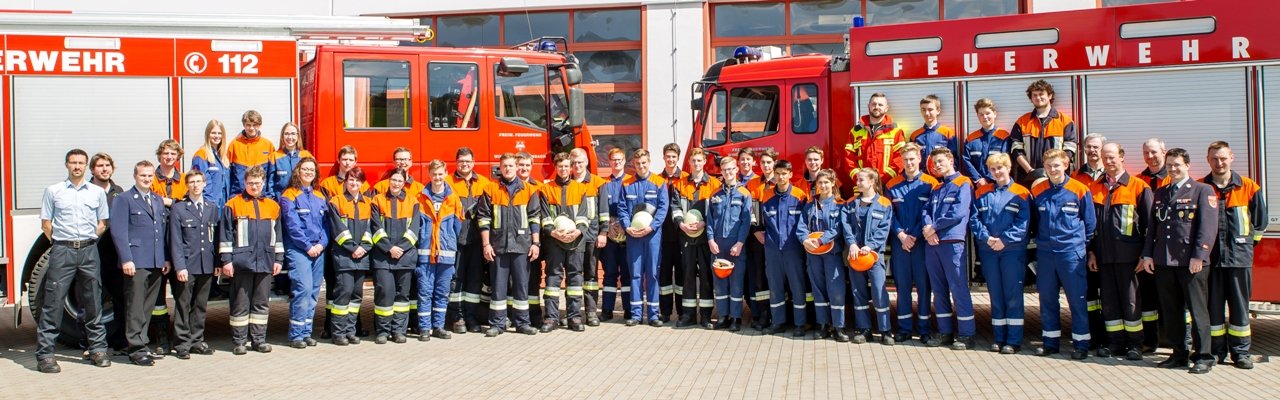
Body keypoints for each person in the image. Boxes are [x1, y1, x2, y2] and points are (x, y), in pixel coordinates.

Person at [1140, 147, 1219, 374]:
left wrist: (1200, 256)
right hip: (1164, 261)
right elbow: (1152, 229)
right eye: (1170, 165)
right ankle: (1178, 354)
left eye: (1177, 165)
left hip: (1190, 262)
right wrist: (1148, 254)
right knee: (1171, 310)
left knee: (1198, 311)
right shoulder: (1161, 193)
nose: (1173, 169)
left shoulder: (1202, 190)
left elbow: (1207, 229)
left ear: (1187, 166)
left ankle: (1204, 356)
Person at [36, 149, 112, 373]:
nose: (77, 166)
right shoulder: (53, 191)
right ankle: (46, 355)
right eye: (73, 162)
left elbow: (102, 223)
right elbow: (46, 224)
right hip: (63, 251)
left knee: (93, 302)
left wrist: (87, 242)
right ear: (66, 165)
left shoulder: (97, 192)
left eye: (81, 163)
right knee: (53, 302)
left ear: (86, 166)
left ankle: (98, 350)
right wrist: (62, 244)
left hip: (89, 251)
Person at [1202, 141, 1266, 369]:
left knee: (1240, 308)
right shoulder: (1201, 187)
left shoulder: (1249, 187)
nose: (1219, 163)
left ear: (1231, 157)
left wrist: (1246, 246)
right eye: (1214, 159)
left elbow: (1260, 223)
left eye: (1223, 158)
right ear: (1208, 160)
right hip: (1211, 260)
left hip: (1239, 259)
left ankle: (1240, 353)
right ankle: (1217, 352)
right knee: (1214, 308)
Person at [1087, 142, 1152, 360]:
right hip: (1104, 256)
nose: (1108, 161)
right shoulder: (1096, 187)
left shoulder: (1138, 186)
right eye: (1105, 157)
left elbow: (1150, 225)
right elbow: (1090, 225)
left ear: (1122, 157)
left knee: (1131, 301)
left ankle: (1135, 344)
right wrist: (1092, 252)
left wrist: (1146, 253)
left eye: (1112, 157)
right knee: (1109, 301)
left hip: (1130, 258)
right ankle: (1115, 343)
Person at [1030, 149, 1097, 360]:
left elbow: (1090, 224)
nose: (1052, 169)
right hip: (1046, 253)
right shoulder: (1039, 190)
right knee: (1047, 299)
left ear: (1066, 165)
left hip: (1070, 254)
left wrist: (1079, 246)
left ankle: (1081, 344)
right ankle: (1050, 343)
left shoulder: (1079, 189)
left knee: (1076, 300)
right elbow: (1034, 222)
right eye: (1049, 166)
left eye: (1057, 165)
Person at [218, 165, 284, 355]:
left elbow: (277, 236)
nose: (254, 186)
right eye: (250, 183)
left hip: (265, 261)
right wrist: (226, 260)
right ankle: (239, 341)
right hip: (241, 263)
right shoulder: (233, 205)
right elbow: (226, 235)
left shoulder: (273, 206)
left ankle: (259, 340)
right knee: (240, 302)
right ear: (244, 183)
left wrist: (278, 259)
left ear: (263, 183)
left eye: (257, 183)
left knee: (261, 303)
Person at [111, 160, 170, 367]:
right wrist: (126, 258)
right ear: (135, 177)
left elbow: (161, 232)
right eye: (142, 175)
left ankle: (142, 343)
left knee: (147, 306)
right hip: (136, 261)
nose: (146, 179)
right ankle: (135, 348)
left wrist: (164, 258)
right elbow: (118, 231)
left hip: (155, 261)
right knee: (135, 306)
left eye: (149, 175)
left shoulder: (157, 200)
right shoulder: (124, 199)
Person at [971, 153, 1031, 354]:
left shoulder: (1022, 193)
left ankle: (1013, 340)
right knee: (995, 294)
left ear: (1008, 167)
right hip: (989, 251)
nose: (997, 172)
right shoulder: (982, 193)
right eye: (993, 169)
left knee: (1013, 295)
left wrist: (1003, 240)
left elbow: (1023, 223)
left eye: (1000, 168)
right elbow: (974, 219)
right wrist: (987, 239)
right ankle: (999, 337)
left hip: (1012, 252)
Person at [477, 153, 543, 337]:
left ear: (516, 167)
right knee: (498, 286)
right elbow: (483, 219)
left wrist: (536, 243)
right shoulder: (490, 189)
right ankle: (497, 324)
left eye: (511, 166)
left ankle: (522, 323)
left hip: (522, 246)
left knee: (521, 285)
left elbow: (535, 218)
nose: (508, 168)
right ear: (500, 167)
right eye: (504, 165)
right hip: (498, 246)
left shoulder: (529, 190)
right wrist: (486, 245)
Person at [922, 148, 975, 350]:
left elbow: (958, 212)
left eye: (940, 161)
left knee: (958, 288)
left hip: (952, 243)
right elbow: (926, 210)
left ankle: (967, 334)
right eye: (934, 163)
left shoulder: (963, 183)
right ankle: (944, 332)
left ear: (951, 160)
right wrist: (928, 229)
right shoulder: (936, 188)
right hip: (933, 243)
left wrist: (933, 228)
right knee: (939, 290)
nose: (937, 166)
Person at [885, 143, 938, 344]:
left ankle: (924, 329)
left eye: (912, 159)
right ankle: (905, 329)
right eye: (905, 159)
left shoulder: (930, 183)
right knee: (902, 287)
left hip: (921, 243)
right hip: (901, 244)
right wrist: (900, 235)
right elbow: (889, 214)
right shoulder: (892, 185)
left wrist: (914, 236)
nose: (909, 163)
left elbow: (930, 213)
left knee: (924, 287)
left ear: (920, 159)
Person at [318, 145, 369, 338]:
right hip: (336, 245)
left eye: (351, 159)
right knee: (335, 288)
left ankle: (353, 327)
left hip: (356, 248)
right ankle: (330, 326)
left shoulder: (363, 186)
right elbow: (328, 216)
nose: (347, 163)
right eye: (344, 159)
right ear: (339, 161)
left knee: (353, 290)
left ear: (355, 162)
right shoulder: (328, 184)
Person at [537, 153, 591, 332]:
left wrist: (577, 232)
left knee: (575, 277)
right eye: (560, 166)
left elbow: (584, 215)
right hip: (554, 241)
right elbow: (544, 216)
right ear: (555, 167)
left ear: (571, 167)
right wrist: (553, 233)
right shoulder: (546, 189)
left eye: (567, 166)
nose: (564, 169)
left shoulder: (580, 188)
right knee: (553, 277)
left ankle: (574, 317)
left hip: (576, 241)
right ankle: (551, 318)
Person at [616, 149, 670, 327]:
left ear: (649, 162)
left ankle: (654, 315)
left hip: (652, 235)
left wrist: (652, 227)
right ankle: (636, 314)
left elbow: (663, 209)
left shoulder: (659, 183)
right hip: (633, 236)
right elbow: (622, 209)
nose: (641, 166)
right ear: (634, 164)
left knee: (653, 274)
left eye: (644, 163)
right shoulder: (627, 184)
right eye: (638, 163)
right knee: (636, 275)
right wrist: (627, 227)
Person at [168, 170, 219, 359]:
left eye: (199, 181)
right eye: (192, 182)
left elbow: (215, 237)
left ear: (204, 184)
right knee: (183, 304)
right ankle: (182, 343)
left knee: (200, 305)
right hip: (187, 265)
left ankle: (197, 340)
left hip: (206, 264)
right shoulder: (179, 209)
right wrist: (179, 266)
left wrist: (217, 263)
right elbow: (175, 241)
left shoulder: (211, 207)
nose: (196, 185)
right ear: (187, 185)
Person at [279, 157, 327, 349]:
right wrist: (308, 247)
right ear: (298, 172)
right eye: (305, 169)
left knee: (314, 292)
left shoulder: (320, 196)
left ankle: (306, 333)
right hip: (300, 250)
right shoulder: (288, 195)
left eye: (312, 170)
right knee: (303, 290)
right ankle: (296, 335)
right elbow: (292, 226)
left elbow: (326, 226)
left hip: (318, 250)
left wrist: (322, 245)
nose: (308, 172)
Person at [369, 168, 422, 344]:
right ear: (389, 181)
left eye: (400, 180)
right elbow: (376, 229)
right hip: (383, 257)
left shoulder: (413, 202)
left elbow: (414, 230)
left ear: (404, 182)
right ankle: (383, 331)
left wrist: (400, 248)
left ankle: (399, 331)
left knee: (402, 296)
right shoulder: (377, 200)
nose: (396, 183)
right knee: (384, 293)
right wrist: (389, 248)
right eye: (394, 180)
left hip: (405, 257)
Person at [844, 168, 895, 345]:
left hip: (874, 256)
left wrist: (870, 245)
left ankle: (885, 330)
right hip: (855, 255)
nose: (857, 183)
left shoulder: (884, 203)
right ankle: (864, 329)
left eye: (861, 180)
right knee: (858, 293)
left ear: (872, 182)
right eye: (857, 180)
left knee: (879, 292)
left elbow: (884, 228)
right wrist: (852, 243)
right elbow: (846, 226)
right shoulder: (850, 203)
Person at [671, 148, 720, 329]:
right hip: (686, 236)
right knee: (688, 275)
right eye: (694, 161)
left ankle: (706, 316)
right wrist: (681, 224)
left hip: (706, 238)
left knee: (706, 276)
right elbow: (675, 207)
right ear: (689, 163)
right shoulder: (680, 184)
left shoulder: (715, 184)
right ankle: (688, 315)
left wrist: (705, 223)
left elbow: (717, 211)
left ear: (704, 162)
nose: (697, 164)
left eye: (700, 161)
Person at [416, 160, 465, 341]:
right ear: (429, 175)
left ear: (446, 173)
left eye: (440, 174)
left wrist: (448, 242)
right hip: (426, 255)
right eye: (434, 174)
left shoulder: (453, 199)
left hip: (446, 255)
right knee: (425, 292)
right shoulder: (420, 197)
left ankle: (438, 326)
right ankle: (424, 329)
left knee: (442, 293)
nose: (437, 178)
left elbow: (458, 227)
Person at [760, 160, 809, 336]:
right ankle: (778, 322)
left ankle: (800, 323)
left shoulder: (800, 196)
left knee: (797, 286)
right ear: (774, 174)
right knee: (775, 286)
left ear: (790, 174)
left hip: (793, 249)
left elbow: (805, 224)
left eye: (784, 173)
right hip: (773, 249)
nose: (781, 177)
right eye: (778, 173)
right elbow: (759, 221)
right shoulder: (765, 196)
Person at [326, 167, 373, 346]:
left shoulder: (368, 203)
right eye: (351, 180)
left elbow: (372, 229)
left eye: (357, 181)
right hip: (343, 256)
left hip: (362, 257)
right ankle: (338, 333)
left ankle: (351, 331)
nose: (354, 183)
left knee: (356, 295)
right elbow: (338, 229)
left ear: (362, 184)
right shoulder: (336, 201)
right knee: (343, 293)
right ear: (346, 181)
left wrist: (364, 247)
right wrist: (353, 248)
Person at [795, 169, 844, 341]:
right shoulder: (809, 206)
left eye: (826, 182)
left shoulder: (840, 205)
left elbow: (838, 228)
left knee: (836, 289)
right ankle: (822, 325)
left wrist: (821, 240)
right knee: (818, 290)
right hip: (813, 255)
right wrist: (804, 240)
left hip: (832, 255)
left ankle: (838, 327)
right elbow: (801, 227)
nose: (822, 186)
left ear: (833, 183)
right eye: (819, 183)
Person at [449, 147, 493, 333]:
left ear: (473, 163)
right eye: (461, 161)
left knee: (474, 280)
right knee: (456, 280)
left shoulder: (484, 183)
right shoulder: (447, 182)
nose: (464, 164)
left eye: (468, 161)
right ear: (456, 162)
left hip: (475, 240)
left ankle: (471, 317)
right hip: (455, 240)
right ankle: (457, 318)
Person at [706, 156, 751, 332]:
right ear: (721, 172)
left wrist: (740, 242)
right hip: (718, 244)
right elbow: (709, 220)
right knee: (720, 283)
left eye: (731, 169)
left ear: (736, 170)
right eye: (725, 170)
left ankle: (736, 318)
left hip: (735, 244)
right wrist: (710, 239)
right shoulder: (715, 195)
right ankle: (723, 317)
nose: (728, 173)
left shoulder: (745, 194)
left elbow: (745, 221)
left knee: (736, 282)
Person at [1073, 133, 1108, 353]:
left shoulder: (1112, 175)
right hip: (1088, 243)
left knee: (1110, 295)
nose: (1092, 151)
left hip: (1111, 244)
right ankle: (1095, 336)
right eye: (1088, 147)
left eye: (1096, 147)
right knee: (1091, 296)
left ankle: (1111, 338)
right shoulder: (1077, 176)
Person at [89, 152, 128, 350]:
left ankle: (119, 340)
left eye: (107, 165)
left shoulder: (118, 191)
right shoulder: (85, 190)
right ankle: (89, 342)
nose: (104, 169)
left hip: (114, 254)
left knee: (120, 297)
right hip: (91, 253)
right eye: (99, 166)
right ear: (92, 169)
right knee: (90, 299)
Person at [1136, 138, 1170, 351]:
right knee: (1147, 298)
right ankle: (1150, 341)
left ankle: (1178, 342)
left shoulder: (1176, 179)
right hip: (1146, 249)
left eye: (1154, 152)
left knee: (1172, 298)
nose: (1150, 156)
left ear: (1164, 152)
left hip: (1169, 249)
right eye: (1146, 153)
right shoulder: (1138, 181)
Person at [1010, 79, 1078, 185]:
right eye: (1034, 95)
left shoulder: (1064, 121)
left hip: (1057, 178)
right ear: (1031, 98)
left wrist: (1054, 169)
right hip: (1028, 178)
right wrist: (1031, 171)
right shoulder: (1022, 121)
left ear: (1050, 96)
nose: (1038, 97)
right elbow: (1016, 150)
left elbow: (1069, 149)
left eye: (1041, 94)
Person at [572, 148, 609, 327]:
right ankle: (573, 313)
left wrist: (603, 232)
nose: (577, 166)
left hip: (591, 236)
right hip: (572, 238)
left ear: (586, 162)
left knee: (591, 276)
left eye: (580, 162)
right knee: (573, 276)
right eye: (574, 163)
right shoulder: (567, 182)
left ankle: (591, 311)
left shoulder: (597, 182)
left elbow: (603, 211)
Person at [744, 149, 778, 330]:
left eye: (769, 162)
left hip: (775, 239)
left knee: (777, 278)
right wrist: (756, 231)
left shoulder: (780, 183)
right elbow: (749, 212)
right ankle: (763, 315)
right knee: (759, 278)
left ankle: (779, 316)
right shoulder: (752, 184)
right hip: (757, 238)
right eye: (763, 162)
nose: (766, 165)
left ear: (774, 163)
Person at [843, 92, 906, 184]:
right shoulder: (855, 131)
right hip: (862, 186)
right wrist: (860, 179)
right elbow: (849, 159)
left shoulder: (895, 131)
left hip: (886, 185)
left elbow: (899, 159)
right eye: (874, 104)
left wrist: (881, 180)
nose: (876, 107)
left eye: (880, 104)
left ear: (886, 108)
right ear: (868, 106)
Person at [599, 148, 632, 321]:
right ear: (609, 161)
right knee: (610, 273)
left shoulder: (631, 182)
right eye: (613, 160)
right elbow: (601, 210)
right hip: (610, 237)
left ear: (625, 160)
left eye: (619, 159)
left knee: (627, 274)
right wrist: (608, 228)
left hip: (628, 237)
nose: (616, 162)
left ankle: (628, 310)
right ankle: (606, 309)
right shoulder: (603, 183)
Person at [657, 143, 688, 322]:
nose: (670, 160)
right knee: (665, 276)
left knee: (682, 275)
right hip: (662, 236)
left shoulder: (685, 179)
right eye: (668, 156)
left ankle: (683, 312)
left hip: (682, 236)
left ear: (678, 158)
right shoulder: (656, 180)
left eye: (673, 157)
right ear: (664, 158)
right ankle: (666, 312)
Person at [961, 98, 1011, 186]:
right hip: (976, 185)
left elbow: (1005, 161)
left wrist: (988, 179)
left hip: (997, 184)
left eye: (988, 113)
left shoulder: (1004, 136)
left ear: (995, 114)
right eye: (981, 114)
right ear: (977, 116)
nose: (985, 117)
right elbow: (966, 161)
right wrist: (978, 179)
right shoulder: (971, 139)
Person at [228, 110, 276, 197]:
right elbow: (228, 176)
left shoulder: (268, 145)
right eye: (248, 125)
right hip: (239, 197)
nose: (251, 128)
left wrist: (269, 195)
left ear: (260, 125)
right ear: (244, 125)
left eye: (255, 125)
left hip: (261, 196)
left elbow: (271, 175)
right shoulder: (234, 145)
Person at [911, 95, 960, 175]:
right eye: (923, 110)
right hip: (922, 180)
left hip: (942, 179)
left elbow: (954, 159)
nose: (927, 113)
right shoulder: (915, 135)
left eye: (930, 110)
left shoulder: (947, 133)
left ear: (938, 111)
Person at [190, 119, 231, 209]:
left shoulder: (223, 157)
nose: (217, 136)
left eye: (219, 133)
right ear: (207, 134)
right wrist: (209, 204)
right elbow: (200, 182)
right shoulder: (201, 154)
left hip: (224, 203)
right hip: (210, 204)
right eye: (213, 133)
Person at [270, 123, 314, 197]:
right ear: (282, 136)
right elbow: (269, 183)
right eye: (286, 134)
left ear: (298, 136)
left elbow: (314, 181)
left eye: (293, 134)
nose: (290, 137)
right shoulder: (274, 156)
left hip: (302, 202)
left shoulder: (306, 156)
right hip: (280, 202)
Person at [152, 139, 188, 206]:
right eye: (166, 153)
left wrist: (169, 202)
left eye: (173, 154)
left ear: (178, 156)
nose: (169, 157)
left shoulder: (185, 179)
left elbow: (189, 204)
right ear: (160, 155)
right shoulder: (151, 178)